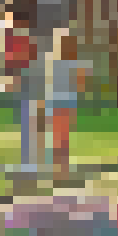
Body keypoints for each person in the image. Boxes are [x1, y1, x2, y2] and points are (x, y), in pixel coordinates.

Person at [0, 0, 42, 174]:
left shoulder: (19, 33)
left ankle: (32, 161)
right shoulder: (27, 33)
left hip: (28, 80)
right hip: (32, 79)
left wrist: (10, 76)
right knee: (31, 119)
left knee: (30, 120)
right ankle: (33, 159)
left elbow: (15, 58)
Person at [46, 28, 88, 182]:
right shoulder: (55, 62)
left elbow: (81, 82)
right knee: (58, 135)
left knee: (62, 136)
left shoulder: (70, 63)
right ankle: (56, 166)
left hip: (65, 104)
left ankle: (60, 165)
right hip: (57, 104)